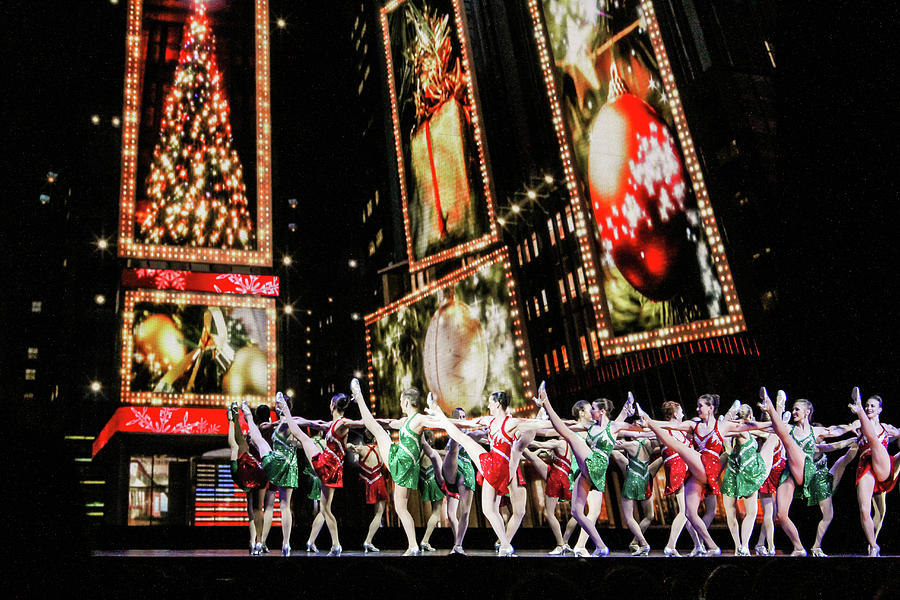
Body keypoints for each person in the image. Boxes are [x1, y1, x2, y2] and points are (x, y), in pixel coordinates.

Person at [637, 393, 772, 556]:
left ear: (710, 408)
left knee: (680, 447)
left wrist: (774, 417)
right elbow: (670, 426)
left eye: (700, 406)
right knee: (689, 513)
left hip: (710, 466)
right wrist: (649, 423)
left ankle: (647, 419)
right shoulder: (694, 425)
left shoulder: (723, 426)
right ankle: (712, 546)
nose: (697, 408)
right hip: (699, 467)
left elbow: (751, 426)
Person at [425, 388, 555, 556]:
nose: (488, 405)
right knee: (489, 510)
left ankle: (437, 411)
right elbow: (466, 424)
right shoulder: (490, 421)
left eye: (490, 402)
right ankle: (505, 545)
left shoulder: (510, 422)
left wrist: (548, 413)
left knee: (461, 437)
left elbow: (540, 426)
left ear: (498, 404)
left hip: (497, 467)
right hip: (496, 467)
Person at [535, 384, 642, 556]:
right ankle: (600, 546)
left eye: (593, 408)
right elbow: (561, 428)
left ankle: (546, 400)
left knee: (569, 437)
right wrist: (538, 425)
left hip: (597, 464)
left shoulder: (612, 427)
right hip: (587, 469)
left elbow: (632, 428)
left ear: (601, 412)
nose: (591, 411)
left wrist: (641, 420)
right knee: (576, 512)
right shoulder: (590, 427)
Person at [350, 378, 444, 555]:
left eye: (401, 401)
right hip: (406, 465)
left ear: (407, 402)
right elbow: (388, 423)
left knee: (376, 430)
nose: (401, 403)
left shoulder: (418, 419)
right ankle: (413, 545)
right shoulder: (407, 421)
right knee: (402, 508)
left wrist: (437, 412)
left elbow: (438, 423)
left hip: (402, 463)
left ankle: (359, 396)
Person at [758, 387, 844, 556]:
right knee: (781, 514)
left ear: (807, 412)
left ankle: (773, 406)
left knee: (788, 439)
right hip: (790, 472)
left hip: (808, 472)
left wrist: (855, 428)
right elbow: (767, 428)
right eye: (793, 409)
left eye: (797, 409)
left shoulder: (816, 431)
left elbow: (837, 431)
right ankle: (798, 548)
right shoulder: (789, 428)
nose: (794, 411)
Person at [843, 388, 900, 556]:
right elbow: (841, 429)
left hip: (883, 466)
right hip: (866, 467)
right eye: (866, 406)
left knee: (876, 442)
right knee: (867, 510)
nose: (869, 408)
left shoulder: (886, 427)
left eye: (872, 406)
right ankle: (873, 544)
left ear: (880, 409)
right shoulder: (858, 425)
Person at [241, 396, 300, 556]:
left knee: (259, 441)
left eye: (277, 405)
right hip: (290, 468)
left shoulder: (275, 425)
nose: (275, 407)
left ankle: (258, 541)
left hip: (270, 465)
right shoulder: (294, 423)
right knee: (282, 506)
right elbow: (314, 424)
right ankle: (285, 544)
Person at [719, 404, 779, 556]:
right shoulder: (744, 431)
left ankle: (738, 547)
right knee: (751, 512)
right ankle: (743, 546)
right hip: (748, 475)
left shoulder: (735, 431)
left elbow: (723, 429)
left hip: (732, 473)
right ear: (750, 417)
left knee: (731, 513)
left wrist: (728, 415)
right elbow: (768, 430)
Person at [225, 402, 270, 554]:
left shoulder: (255, 430)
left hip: (250, 469)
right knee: (259, 508)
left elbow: (239, 442)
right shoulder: (272, 429)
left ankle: (234, 417)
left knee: (252, 509)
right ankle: (258, 541)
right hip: (264, 471)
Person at [522, 435, 578, 554]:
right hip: (559, 473)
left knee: (548, 513)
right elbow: (542, 450)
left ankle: (560, 544)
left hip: (557, 478)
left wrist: (523, 440)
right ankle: (564, 542)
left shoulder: (559, 443)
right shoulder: (568, 444)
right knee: (532, 457)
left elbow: (537, 444)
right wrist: (542, 451)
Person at [613, 434, 663, 555]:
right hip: (644, 480)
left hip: (632, 481)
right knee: (649, 515)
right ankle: (635, 542)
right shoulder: (650, 447)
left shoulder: (633, 445)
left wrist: (618, 443)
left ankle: (643, 543)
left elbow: (609, 447)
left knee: (629, 517)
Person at [441, 408, 480, 555]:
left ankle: (458, 545)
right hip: (452, 469)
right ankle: (457, 542)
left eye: (463, 416)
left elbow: (483, 434)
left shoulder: (470, 434)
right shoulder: (450, 436)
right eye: (459, 417)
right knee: (451, 515)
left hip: (465, 471)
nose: (462, 418)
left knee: (464, 512)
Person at [346, 433, 388, 553]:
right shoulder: (381, 449)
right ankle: (368, 540)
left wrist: (351, 446)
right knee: (379, 514)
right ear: (375, 438)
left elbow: (346, 446)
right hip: (378, 482)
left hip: (365, 482)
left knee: (361, 512)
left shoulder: (362, 448)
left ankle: (365, 540)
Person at [418, 432, 446, 552]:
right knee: (436, 512)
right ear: (429, 441)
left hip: (423, 483)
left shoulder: (417, 454)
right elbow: (446, 453)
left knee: (431, 513)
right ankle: (425, 540)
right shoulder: (433, 452)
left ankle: (425, 540)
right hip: (433, 482)